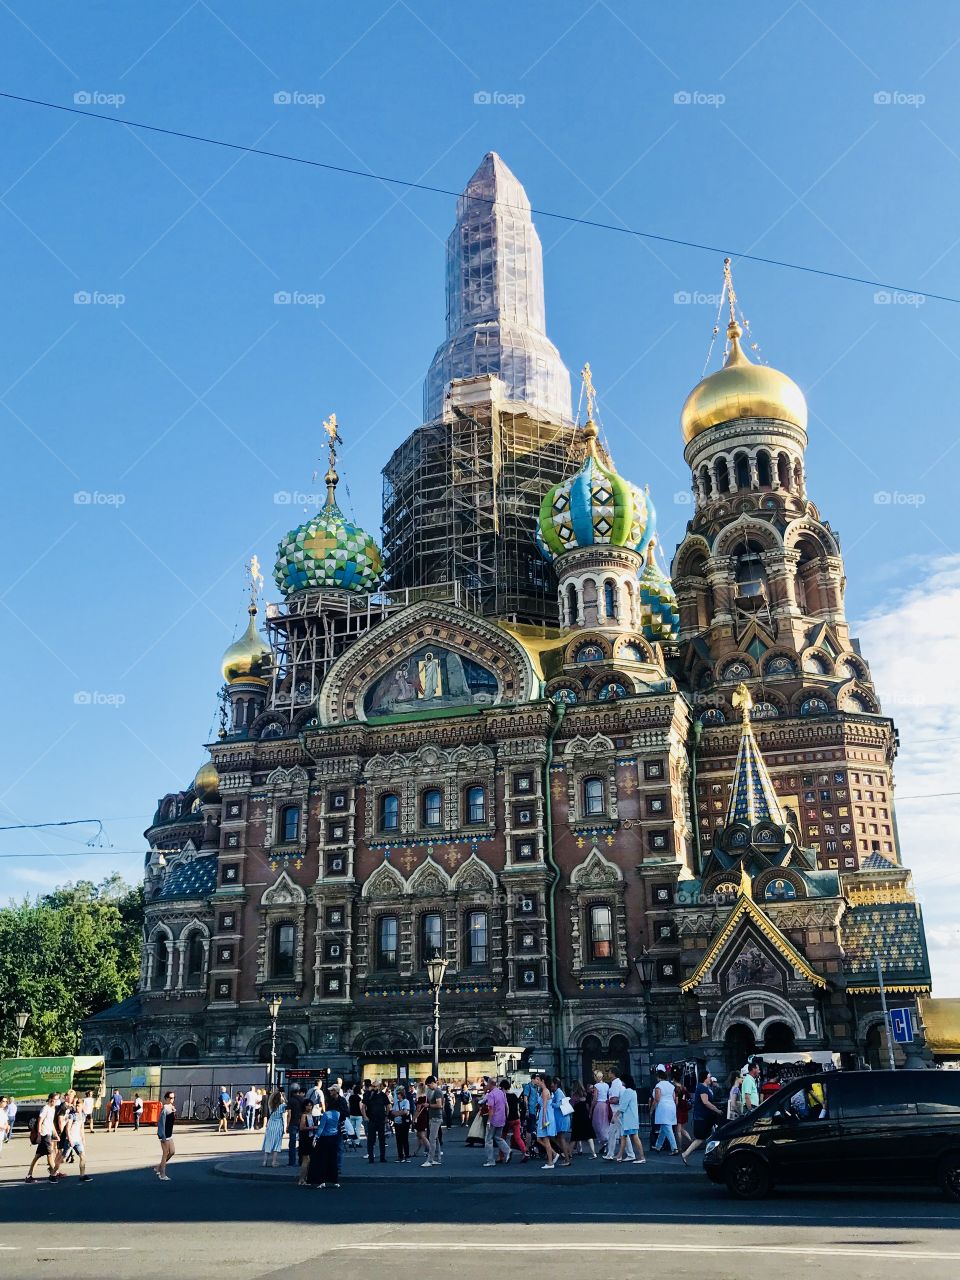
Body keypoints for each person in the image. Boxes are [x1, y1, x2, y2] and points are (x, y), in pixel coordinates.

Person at [683, 1069, 723, 1164]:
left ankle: (712, 1154)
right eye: (709, 1077)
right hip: (702, 1116)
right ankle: (686, 1154)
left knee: (710, 1136)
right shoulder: (703, 1088)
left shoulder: (704, 1087)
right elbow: (705, 1102)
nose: (710, 1079)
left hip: (706, 1116)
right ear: (705, 1078)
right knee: (702, 1138)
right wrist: (717, 1110)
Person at [25, 1092, 61, 1183]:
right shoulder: (45, 1108)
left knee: (38, 1156)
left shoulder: (52, 1109)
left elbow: (51, 1123)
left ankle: (29, 1175)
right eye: (53, 1099)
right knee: (49, 1154)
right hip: (45, 1134)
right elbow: (40, 1121)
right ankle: (53, 1173)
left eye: (56, 1099)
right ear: (49, 1099)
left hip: (48, 1133)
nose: (54, 1101)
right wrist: (39, 1132)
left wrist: (55, 1134)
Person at [57, 1092, 93, 1181]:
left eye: (79, 1106)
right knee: (63, 1158)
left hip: (78, 1140)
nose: (77, 1107)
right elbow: (67, 1129)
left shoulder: (82, 1116)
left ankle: (82, 1175)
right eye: (76, 1105)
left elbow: (81, 1128)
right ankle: (53, 1171)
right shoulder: (72, 1115)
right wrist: (69, 1139)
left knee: (83, 1157)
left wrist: (83, 1139)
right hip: (70, 1140)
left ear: (82, 1106)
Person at [308, 1099, 342, 1188]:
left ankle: (322, 1181)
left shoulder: (326, 1114)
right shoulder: (338, 1114)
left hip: (325, 1139)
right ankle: (335, 1180)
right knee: (333, 1159)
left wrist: (315, 1138)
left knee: (322, 1160)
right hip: (334, 1137)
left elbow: (321, 1128)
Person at [614, 1074, 646, 1164]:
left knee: (633, 1137)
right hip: (631, 1118)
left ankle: (642, 1157)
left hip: (629, 1119)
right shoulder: (633, 1091)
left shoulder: (627, 1091)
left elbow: (622, 1106)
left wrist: (615, 1116)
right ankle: (619, 1155)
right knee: (624, 1137)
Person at [481, 1078, 511, 1167]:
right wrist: (506, 1116)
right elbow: (506, 1106)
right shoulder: (501, 1092)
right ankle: (507, 1150)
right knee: (498, 1137)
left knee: (488, 1140)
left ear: (490, 1084)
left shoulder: (491, 1094)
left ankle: (491, 1161)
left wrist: (489, 1121)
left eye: (487, 1084)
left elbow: (491, 1109)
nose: (486, 1085)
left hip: (494, 1119)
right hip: (502, 1118)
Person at [532, 1073, 558, 1170]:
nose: (537, 1081)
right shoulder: (546, 1091)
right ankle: (553, 1155)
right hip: (547, 1116)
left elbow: (545, 1107)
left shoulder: (544, 1091)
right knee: (540, 1138)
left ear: (542, 1081)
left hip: (545, 1116)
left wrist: (543, 1120)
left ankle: (550, 1162)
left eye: (538, 1079)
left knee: (545, 1139)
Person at [652, 1066, 679, 1154]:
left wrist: (652, 1109)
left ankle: (674, 1148)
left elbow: (657, 1099)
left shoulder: (658, 1085)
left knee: (667, 1127)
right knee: (664, 1127)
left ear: (658, 1077)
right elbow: (674, 1097)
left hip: (663, 1107)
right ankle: (658, 1146)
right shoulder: (671, 1086)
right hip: (671, 1106)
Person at [363, 1081, 390, 1164]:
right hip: (371, 1119)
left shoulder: (382, 1095)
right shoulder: (368, 1094)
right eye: (372, 1086)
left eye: (375, 1086)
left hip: (381, 1119)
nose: (373, 1088)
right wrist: (365, 1116)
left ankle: (382, 1157)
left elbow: (388, 1105)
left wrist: (386, 1115)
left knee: (382, 1139)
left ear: (379, 1087)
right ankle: (371, 1157)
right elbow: (363, 1106)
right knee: (371, 1139)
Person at [261, 1089, 287, 1168]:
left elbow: (272, 1098)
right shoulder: (283, 1106)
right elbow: (284, 1117)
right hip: (278, 1124)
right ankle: (274, 1162)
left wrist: (275, 1094)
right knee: (277, 1144)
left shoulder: (270, 1105)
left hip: (270, 1123)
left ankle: (265, 1161)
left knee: (268, 1142)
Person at [570, 1082, 597, 1157]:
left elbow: (571, 1106)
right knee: (589, 1135)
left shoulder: (574, 1096)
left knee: (575, 1136)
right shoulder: (585, 1095)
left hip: (577, 1117)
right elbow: (588, 1106)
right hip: (585, 1116)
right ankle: (594, 1153)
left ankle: (570, 1154)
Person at [423, 1074, 444, 1167]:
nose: (428, 1087)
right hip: (434, 1117)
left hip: (436, 1117)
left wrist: (429, 1105)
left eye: (428, 1085)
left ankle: (430, 1160)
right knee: (436, 1139)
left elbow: (440, 1105)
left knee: (432, 1139)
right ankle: (437, 1158)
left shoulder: (437, 1092)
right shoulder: (435, 1091)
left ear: (432, 1083)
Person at [551, 1078, 572, 1166]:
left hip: (561, 1118)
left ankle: (567, 1158)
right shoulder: (557, 1092)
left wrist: (550, 1103)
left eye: (552, 1083)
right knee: (559, 1138)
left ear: (555, 1084)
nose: (550, 1085)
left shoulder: (558, 1093)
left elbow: (559, 1105)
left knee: (561, 1138)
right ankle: (567, 1154)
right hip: (561, 1118)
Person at [155, 1091, 176, 1181]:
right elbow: (161, 1122)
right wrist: (162, 1135)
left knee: (172, 1151)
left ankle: (158, 1167)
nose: (172, 1099)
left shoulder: (172, 1107)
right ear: (166, 1098)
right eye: (170, 1098)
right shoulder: (165, 1108)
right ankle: (162, 1174)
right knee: (165, 1153)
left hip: (169, 1133)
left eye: (173, 1098)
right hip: (164, 1134)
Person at [504, 1083, 528, 1161]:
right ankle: (525, 1152)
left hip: (508, 1119)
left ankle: (501, 1156)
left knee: (502, 1138)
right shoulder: (514, 1095)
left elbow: (506, 1108)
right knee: (518, 1137)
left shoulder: (504, 1096)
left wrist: (506, 1118)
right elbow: (518, 1108)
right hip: (516, 1119)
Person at [603, 1068, 624, 1160]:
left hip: (617, 1111)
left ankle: (630, 1153)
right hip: (616, 1111)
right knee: (613, 1132)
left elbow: (615, 1099)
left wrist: (609, 1101)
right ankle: (610, 1153)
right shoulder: (617, 1083)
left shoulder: (615, 1084)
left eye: (610, 1073)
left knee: (621, 1133)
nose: (608, 1075)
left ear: (614, 1074)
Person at [297, 1100, 317, 1187]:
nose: (309, 1107)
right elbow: (302, 1127)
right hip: (305, 1139)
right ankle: (301, 1179)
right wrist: (313, 1127)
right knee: (306, 1160)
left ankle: (304, 1178)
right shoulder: (304, 1115)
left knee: (308, 1160)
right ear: (304, 1106)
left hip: (310, 1138)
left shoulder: (311, 1115)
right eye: (307, 1105)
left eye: (310, 1105)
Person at [589, 1071, 610, 1151]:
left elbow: (595, 1099)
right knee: (605, 1123)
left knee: (597, 1124)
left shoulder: (596, 1086)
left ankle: (603, 1141)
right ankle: (605, 1141)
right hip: (605, 1105)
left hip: (599, 1105)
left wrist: (591, 1110)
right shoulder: (607, 1085)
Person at [392, 1087, 411, 1162]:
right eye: (397, 1094)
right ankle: (400, 1156)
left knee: (405, 1139)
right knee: (398, 1140)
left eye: (398, 1094)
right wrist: (399, 1113)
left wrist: (397, 1113)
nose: (397, 1095)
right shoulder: (396, 1103)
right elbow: (392, 1111)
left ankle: (407, 1156)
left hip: (404, 1123)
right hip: (397, 1123)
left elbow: (405, 1112)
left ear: (402, 1094)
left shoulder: (406, 1101)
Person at [287, 1085, 304, 1164]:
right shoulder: (302, 1099)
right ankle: (301, 1161)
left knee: (292, 1143)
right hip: (301, 1122)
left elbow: (289, 1114)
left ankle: (292, 1161)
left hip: (293, 1122)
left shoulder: (291, 1100)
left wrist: (287, 1124)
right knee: (301, 1142)